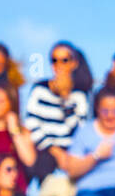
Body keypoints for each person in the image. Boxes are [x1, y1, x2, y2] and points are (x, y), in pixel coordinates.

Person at [23, 40, 93, 182]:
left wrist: (65, 98)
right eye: (54, 60)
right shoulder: (39, 88)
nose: (58, 65)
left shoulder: (80, 94)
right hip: (45, 149)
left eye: (64, 60)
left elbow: (79, 130)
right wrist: (54, 150)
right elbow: (31, 124)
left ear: (74, 63)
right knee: (44, 164)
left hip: (71, 151)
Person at [0, 83, 37, 192]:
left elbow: (29, 160)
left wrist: (14, 130)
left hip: (13, 194)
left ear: (11, 104)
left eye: (0, 101)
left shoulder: (22, 131)